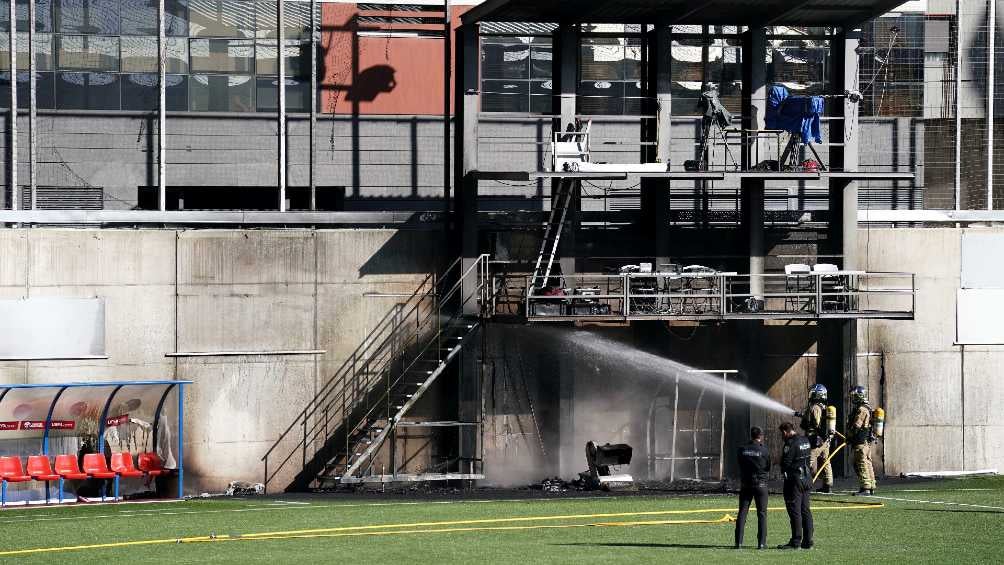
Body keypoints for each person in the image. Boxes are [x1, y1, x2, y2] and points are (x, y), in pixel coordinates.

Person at [777, 421, 813, 550]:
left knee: (795, 511)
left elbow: (786, 462)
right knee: (806, 510)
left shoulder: (791, 444)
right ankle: (808, 541)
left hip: (795, 481)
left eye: (782, 434)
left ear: (785, 432)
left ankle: (796, 541)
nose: (782, 437)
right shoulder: (805, 440)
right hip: (807, 478)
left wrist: (781, 464)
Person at [735, 426, 770, 549]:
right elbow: (768, 466)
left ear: (751, 435)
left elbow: (739, 463)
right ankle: (761, 543)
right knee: (762, 514)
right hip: (760, 485)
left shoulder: (742, 449)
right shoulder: (764, 450)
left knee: (742, 513)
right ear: (760, 436)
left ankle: (738, 543)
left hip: (746, 485)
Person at [798, 384, 833, 493]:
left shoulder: (815, 407)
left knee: (808, 461)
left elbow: (816, 424)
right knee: (826, 461)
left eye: (813, 393)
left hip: (816, 440)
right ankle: (828, 485)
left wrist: (807, 420)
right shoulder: (823, 407)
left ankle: (804, 485)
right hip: (824, 441)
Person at [848, 385, 877, 495]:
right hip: (865, 441)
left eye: (854, 396)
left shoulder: (861, 409)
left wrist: (849, 436)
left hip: (860, 441)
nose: (852, 398)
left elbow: (857, 426)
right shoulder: (867, 407)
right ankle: (871, 485)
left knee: (860, 463)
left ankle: (865, 487)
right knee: (867, 462)